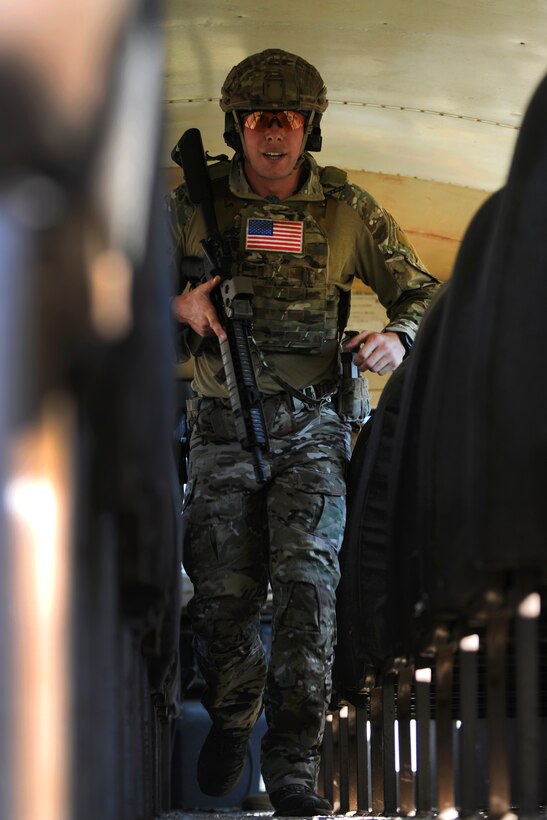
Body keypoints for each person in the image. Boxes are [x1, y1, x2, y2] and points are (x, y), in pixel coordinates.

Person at [167, 48, 441, 816]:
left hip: (313, 430)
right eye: (258, 117)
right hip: (221, 430)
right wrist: (178, 307)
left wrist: (399, 337)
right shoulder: (191, 205)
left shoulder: (344, 211)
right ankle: (231, 712)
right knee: (221, 601)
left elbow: (423, 289)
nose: (274, 133)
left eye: (288, 117)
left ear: (310, 126)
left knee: (308, 597)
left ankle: (291, 766)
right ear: (236, 125)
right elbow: (109, 287)